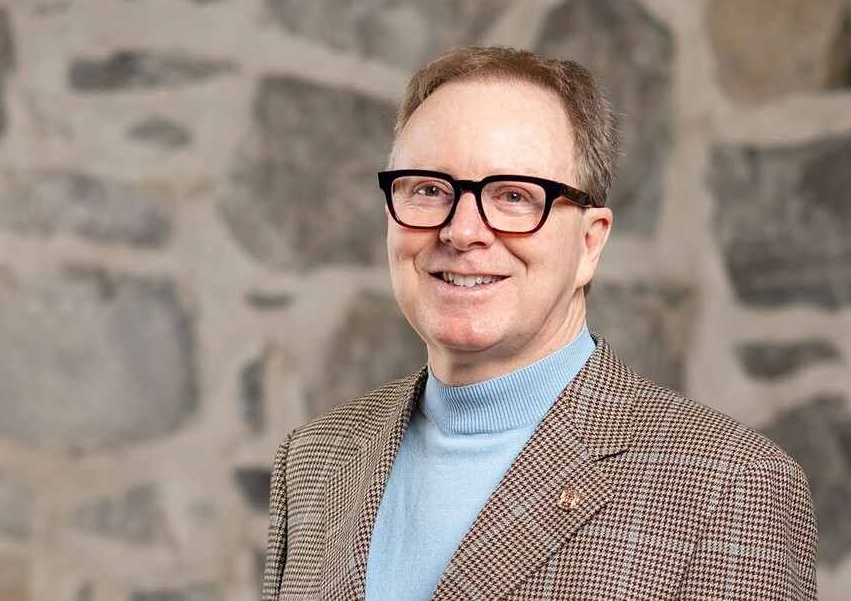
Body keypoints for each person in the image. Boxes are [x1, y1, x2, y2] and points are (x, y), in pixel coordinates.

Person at [262, 46, 818, 600]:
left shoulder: (731, 487)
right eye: (429, 189)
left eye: (514, 196)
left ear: (589, 243)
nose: (462, 232)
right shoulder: (313, 459)